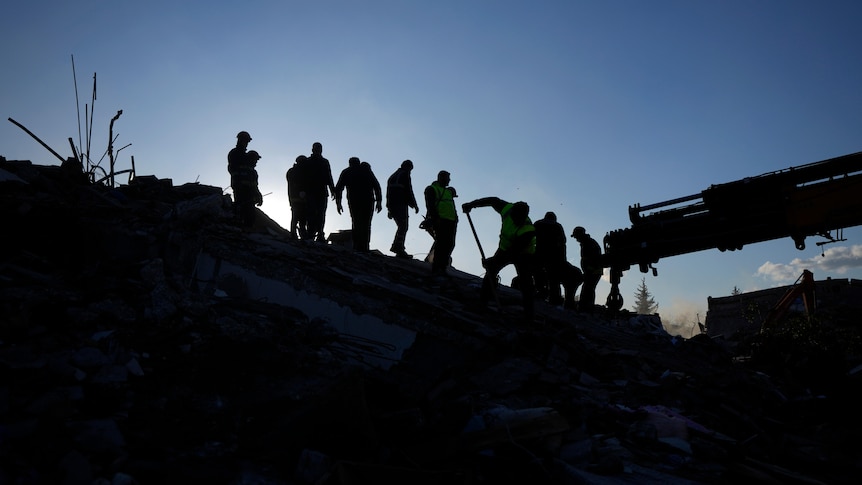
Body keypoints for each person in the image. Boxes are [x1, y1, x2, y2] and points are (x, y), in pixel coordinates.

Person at [462, 197, 537, 319]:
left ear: (524, 217)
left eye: (520, 219)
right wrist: (471, 204)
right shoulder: (507, 209)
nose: (517, 220)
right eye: (515, 217)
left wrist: (492, 260)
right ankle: (483, 302)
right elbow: (492, 200)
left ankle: (529, 314)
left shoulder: (528, 230)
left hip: (524, 255)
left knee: (526, 283)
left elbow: (513, 252)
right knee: (491, 271)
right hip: (504, 248)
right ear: (512, 212)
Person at [334, 158, 382, 252]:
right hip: (368, 200)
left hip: (354, 201)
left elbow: (339, 188)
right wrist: (379, 202)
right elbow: (377, 187)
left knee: (356, 222)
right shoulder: (366, 171)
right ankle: (364, 246)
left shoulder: (347, 171)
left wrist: (338, 203)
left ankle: (357, 246)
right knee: (366, 224)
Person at [423, 170, 458, 277]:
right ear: (441, 177)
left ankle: (442, 267)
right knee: (441, 244)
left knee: (449, 244)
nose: (449, 180)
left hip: (451, 221)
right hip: (441, 220)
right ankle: (437, 267)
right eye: (448, 178)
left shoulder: (447, 191)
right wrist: (434, 219)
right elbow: (430, 206)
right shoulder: (431, 189)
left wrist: (456, 218)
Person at [385, 160, 419, 258]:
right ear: (408, 167)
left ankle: (397, 246)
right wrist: (414, 205)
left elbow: (388, 194)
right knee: (403, 226)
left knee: (401, 226)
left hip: (393, 205)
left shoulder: (392, 176)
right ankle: (398, 248)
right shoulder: (404, 175)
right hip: (400, 204)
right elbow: (409, 190)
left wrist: (389, 208)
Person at [533, 212, 568, 305]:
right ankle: (555, 298)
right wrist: (563, 259)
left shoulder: (538, 223)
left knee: (537, 272)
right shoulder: (557, 226)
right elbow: (563, 242)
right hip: (553, 255)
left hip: (539, 252)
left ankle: (540, 290)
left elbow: (530, 236)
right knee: (554, 278)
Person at [305, 142, 335, 242]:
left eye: (319, 148)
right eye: (317, 148)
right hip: (310, 191)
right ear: (313, 149)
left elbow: (328, 176)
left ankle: (320, 233)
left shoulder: (324, 162)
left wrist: (332, 189)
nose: (318, 150)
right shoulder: (308, 161)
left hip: (321, 192)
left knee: (321, 213)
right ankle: (311, 233)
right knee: (311, 212)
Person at [571, 226, 603, 313]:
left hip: (593, 271)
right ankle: (586, 307)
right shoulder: (587, 243)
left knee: (588, 288)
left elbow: (593, 259)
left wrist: (589, 270)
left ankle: (585, 308)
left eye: (576, 237)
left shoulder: (589, 244)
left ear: (580, 235)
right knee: (588, 288)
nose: (576, 239)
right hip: (591, 271)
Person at [232, 150, 263, 228]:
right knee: (241, 213)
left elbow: (255, 186)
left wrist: (258, 196)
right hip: (241, 194)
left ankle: (248, 229)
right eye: (255, 159)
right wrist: (240, 191)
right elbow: (235, 181)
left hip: (250, 196)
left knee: (251, 215)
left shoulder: (254, 172)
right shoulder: (240, 168)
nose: (256, 162)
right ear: (250, 159)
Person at [227, 131, 252, 222]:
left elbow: (249, 171)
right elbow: (232, 169)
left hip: (247, 186)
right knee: (240, 206)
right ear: (240, 140)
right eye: (245, 141)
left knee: (248, 209)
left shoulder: (245, 155)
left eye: (247, 142)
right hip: (239, 185)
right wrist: (239, 180)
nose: (246, 144)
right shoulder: (234, 153)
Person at [286, 155, 309, 240]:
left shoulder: (297, 171)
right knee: (296, 216)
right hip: (296, 198)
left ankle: (301, 233)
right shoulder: (294, 172)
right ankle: (294, 233)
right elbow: (295, 183)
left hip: (301, 198)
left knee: (302, 217)